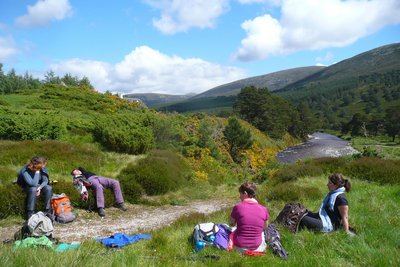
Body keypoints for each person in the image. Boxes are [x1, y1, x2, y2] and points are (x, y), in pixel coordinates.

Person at [229, 182, 269, 252]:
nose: (239, 196)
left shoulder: (237, 207)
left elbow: (231, 224)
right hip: (257, 248)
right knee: (262, 233)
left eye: (240, 194)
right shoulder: (264, 209)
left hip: (239, 247)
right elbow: (265, 227)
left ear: (245, 193)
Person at [17, 156, 53, 220]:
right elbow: (33, 184)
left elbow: (45, 181)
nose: (44, 165)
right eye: (43, 164)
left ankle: (48, 211)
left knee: (48, 188)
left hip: (38, 185)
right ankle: (30, 212)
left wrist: (40, 188)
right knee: (33, 189)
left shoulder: (43, 168)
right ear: (37, 164)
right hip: (26, 186)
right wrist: (37, 171)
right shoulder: (25, 170)